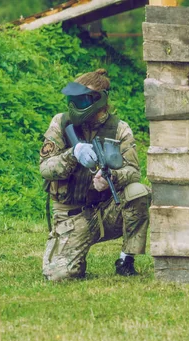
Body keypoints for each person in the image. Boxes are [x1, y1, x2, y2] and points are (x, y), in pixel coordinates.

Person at [39, 68, 151, 281]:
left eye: (81, 101)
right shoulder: (61, 124)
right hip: (70, 215)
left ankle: (126, 260)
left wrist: (111, 180)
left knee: (138, 192)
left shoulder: (119, 129)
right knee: (59, 276)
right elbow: (45, 168)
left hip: (105, 211)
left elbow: (133, 172)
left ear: (100, 101)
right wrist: (73, 154)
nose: (74, 106)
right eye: (73, 100)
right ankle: (75, 258)